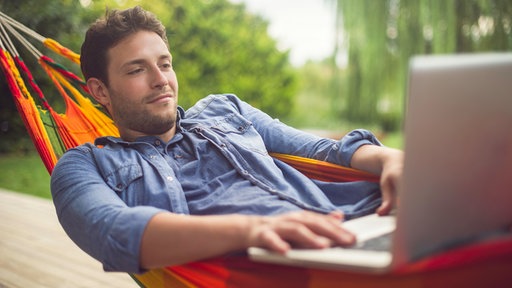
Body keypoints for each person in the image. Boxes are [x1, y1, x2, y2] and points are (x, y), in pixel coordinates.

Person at [50, 6, 403, 274]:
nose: (161, 80)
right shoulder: (83, 166)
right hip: (278, 270)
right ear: (100, 90)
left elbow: (321, 151)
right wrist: (252, 230)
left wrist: (389, 159)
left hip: (363, 223)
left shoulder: (224, 109)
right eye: (137, 69)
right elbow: (115, 233)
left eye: (165, 64)